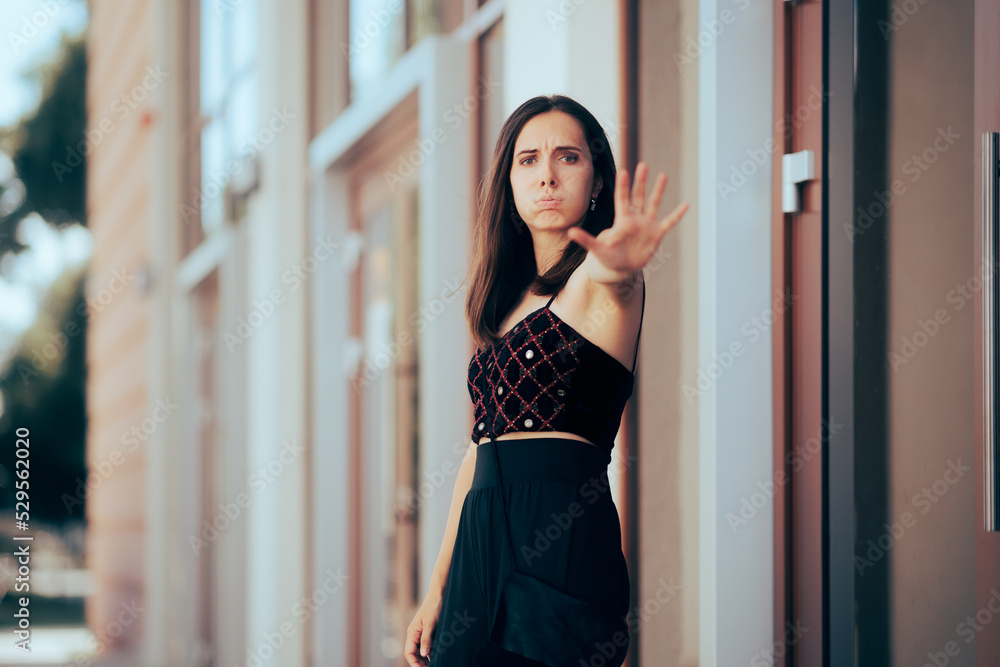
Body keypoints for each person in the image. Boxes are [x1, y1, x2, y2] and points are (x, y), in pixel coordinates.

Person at [404, 94, 689, 667]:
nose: (548, 176)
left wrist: (622, 262)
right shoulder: (504, 303)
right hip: (479, 548)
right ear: (508, 185)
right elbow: (477, 452)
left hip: (560, 536)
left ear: (598, 181)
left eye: (568, 157)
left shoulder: (597, 281)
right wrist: (436, 587)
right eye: (528, 160)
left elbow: (614, 279)